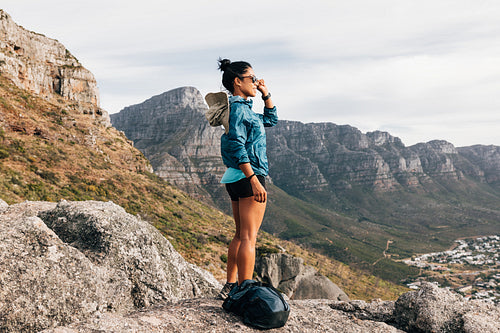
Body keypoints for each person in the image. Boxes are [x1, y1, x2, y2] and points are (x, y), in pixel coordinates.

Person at [216, 58, 278, 299]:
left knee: (240, 235)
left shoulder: (242, 109)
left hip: (233, 177)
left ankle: (231, 286)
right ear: (237, 81)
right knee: (249, 238)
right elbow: (236, 145)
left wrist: (265, 94)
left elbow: (270, 120)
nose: (255, 81)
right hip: (248, 175)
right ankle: (245, 289)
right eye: (252, 78)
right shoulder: (240, 110)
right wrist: (253, 179)